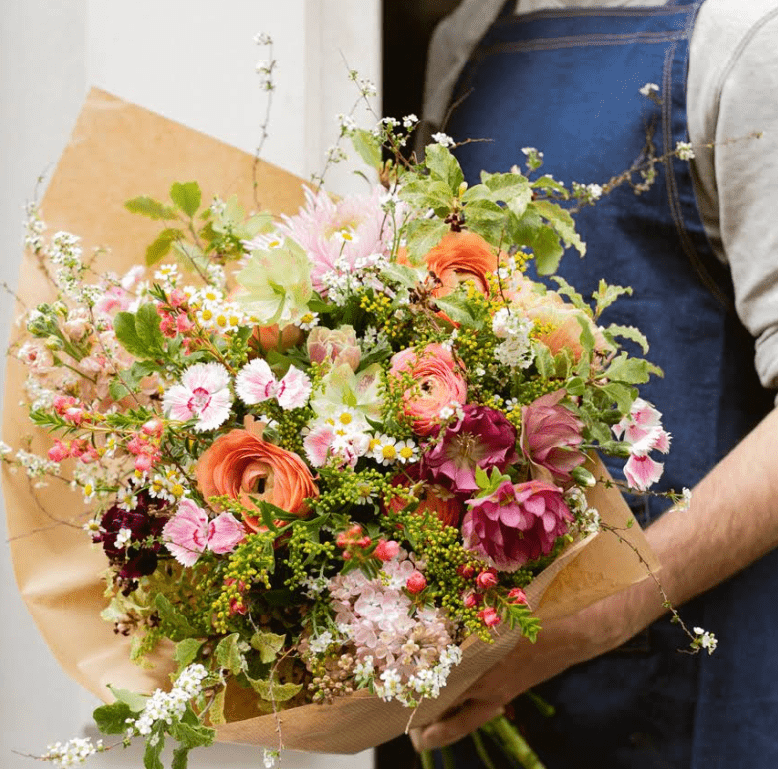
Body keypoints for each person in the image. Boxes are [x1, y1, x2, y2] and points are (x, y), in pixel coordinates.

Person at [410, 1, 778, 767]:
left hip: (696, 680)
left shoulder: (746, 40)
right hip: (496, 684)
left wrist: (613, 602)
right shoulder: (468, 38)